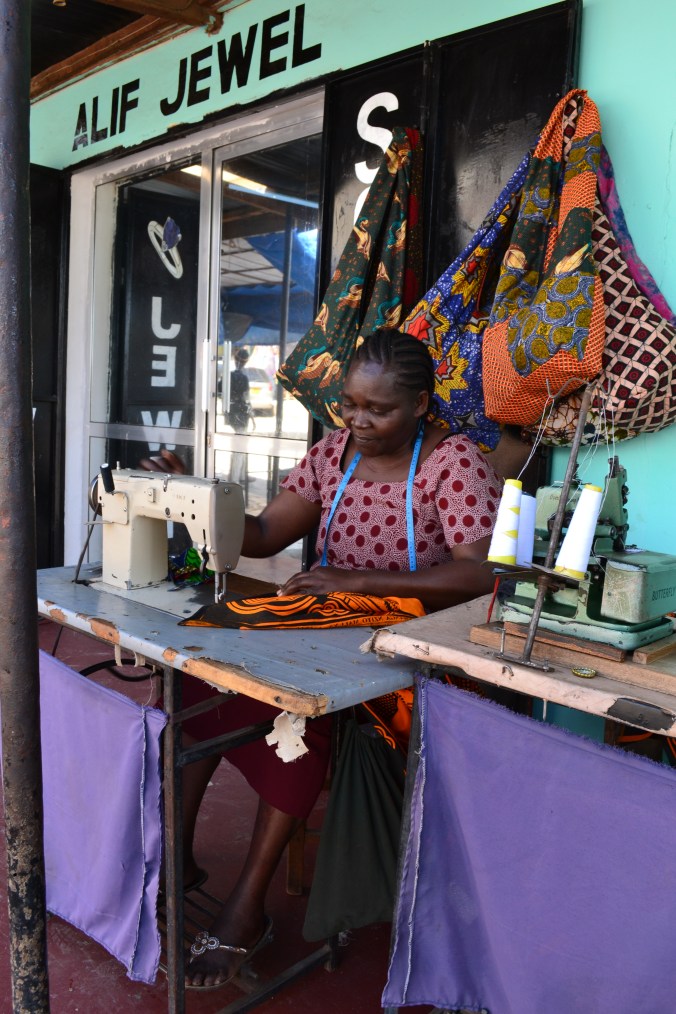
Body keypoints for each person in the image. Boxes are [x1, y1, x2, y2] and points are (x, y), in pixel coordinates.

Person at [148, 329, 502, 990]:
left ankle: (247, 910)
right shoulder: (332, 454)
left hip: (414, 654)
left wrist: (356, 582)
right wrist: (195, 501)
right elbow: (259, 537)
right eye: (349, 405)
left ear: (421, 404)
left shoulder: (453, 463)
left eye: (378, 409)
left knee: (298, 715)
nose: (358, 422)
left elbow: (479, 575)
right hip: (327, 633)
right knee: (198, 682)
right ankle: (175, 860)